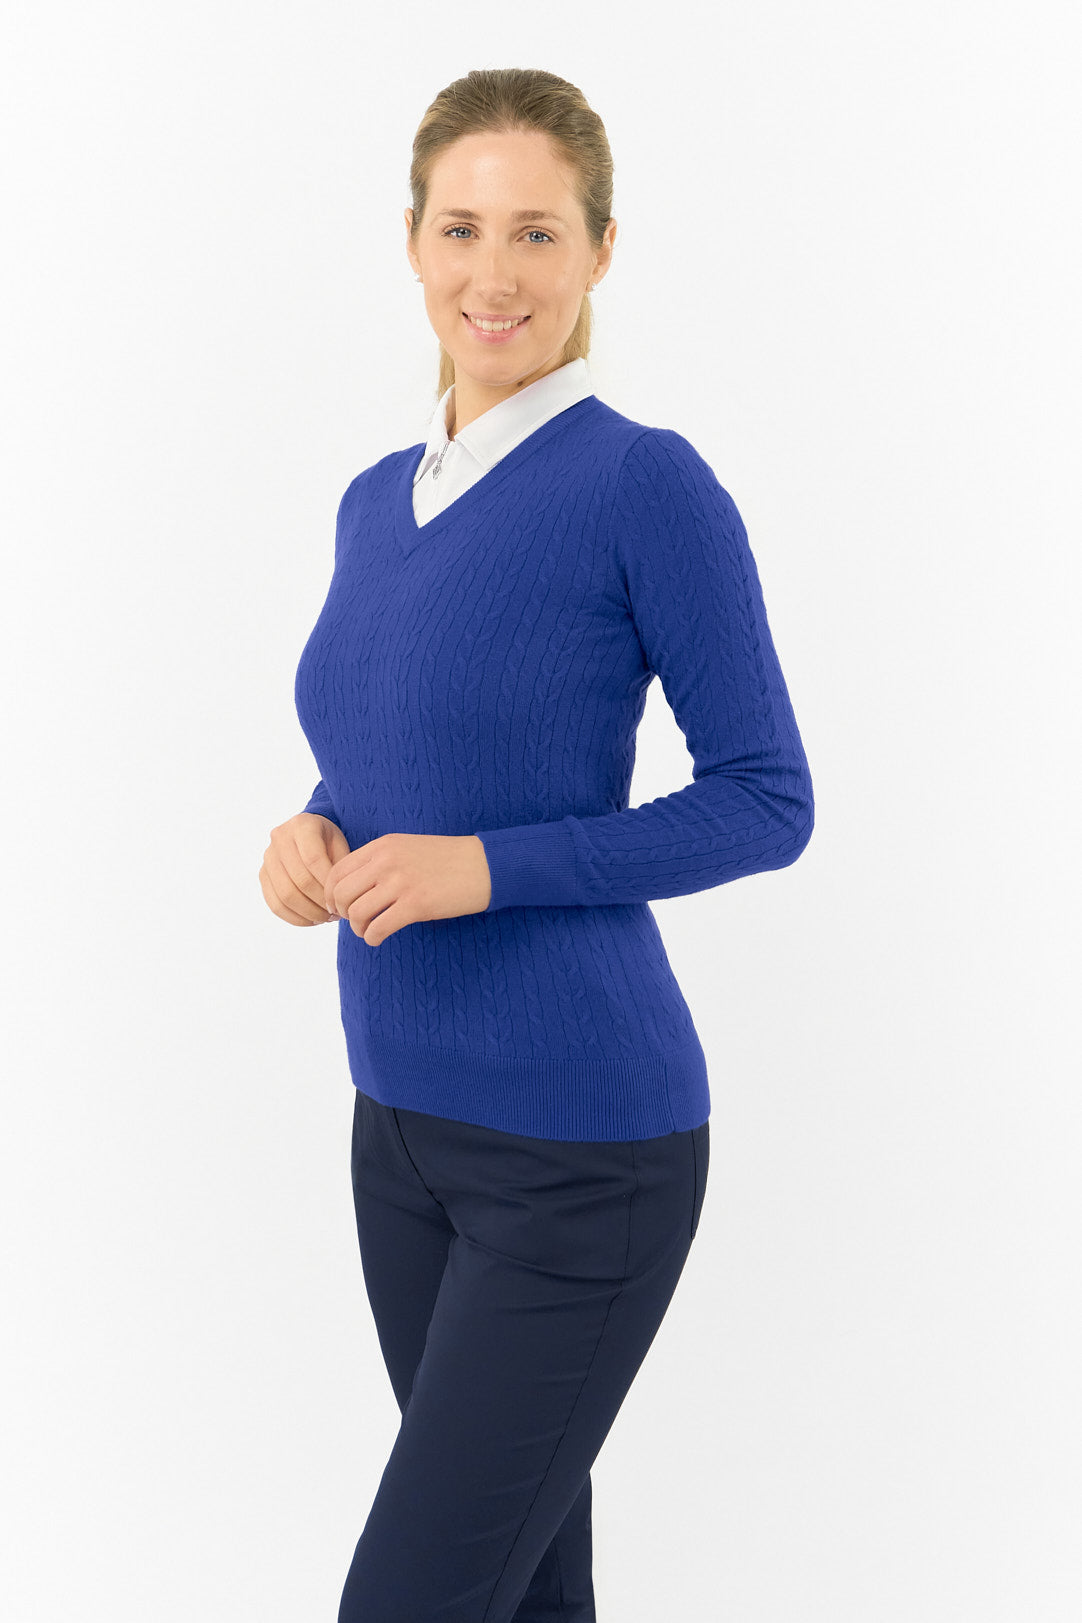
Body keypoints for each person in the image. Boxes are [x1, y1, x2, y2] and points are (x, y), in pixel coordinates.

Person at [258, 66, 814, 1623]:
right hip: (399, 1132)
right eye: (460, 229)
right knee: (517, 1592)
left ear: (600, 251)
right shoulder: (376, 499)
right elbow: (384, 752)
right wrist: (312, 829)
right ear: (412, 243)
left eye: (536, 232)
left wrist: (487, 869)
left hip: (577, 1153)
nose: (492, 273)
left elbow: (765, 797)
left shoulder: (643, 483)